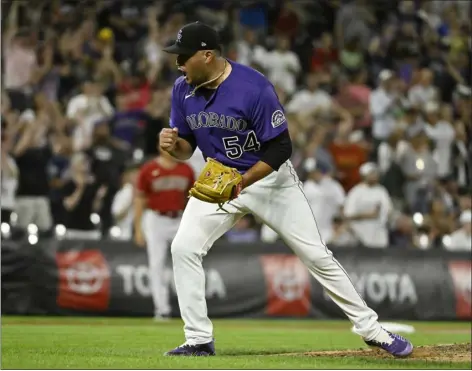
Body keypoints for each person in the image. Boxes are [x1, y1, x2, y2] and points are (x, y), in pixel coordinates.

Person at [159, 22, 413, 357]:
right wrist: (173, 146)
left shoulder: (253, 88)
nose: (178, 64)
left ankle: (371, 329)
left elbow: (281, 149)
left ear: (206, 55)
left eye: (183, 57)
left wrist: (243, 181)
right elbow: (187, 147)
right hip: (219, 181)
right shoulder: (182, 89)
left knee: (316, 254)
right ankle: (198, 339)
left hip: (269, 181)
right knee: (183, 248)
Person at [134, 150, 194, 321]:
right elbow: (139, 199)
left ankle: (190, 311)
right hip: (156, 218)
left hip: (179, 217)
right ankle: (162, 310)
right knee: (157, 264)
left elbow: (193, 198)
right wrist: (138, 228)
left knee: (187, 261)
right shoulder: (149, 168)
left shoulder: (186, 169)